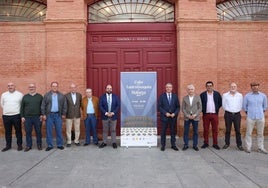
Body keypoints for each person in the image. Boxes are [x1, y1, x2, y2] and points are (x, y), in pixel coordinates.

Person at [41, 81, 67, 151]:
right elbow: (43, 105)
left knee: (59, 130)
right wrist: (43, 114)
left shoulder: (61, 95)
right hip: (49, 115)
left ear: (57, 87)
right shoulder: (47, 95)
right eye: (53, 86)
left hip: (58, 115)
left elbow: (65, 105)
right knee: (49, 131)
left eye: (56, 86)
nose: (54, 87)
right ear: (51, 87)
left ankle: (60, 144)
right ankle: (49, 145)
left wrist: (63, 114)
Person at [243, 82, 268, 154]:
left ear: (258, 86)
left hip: (260, 117)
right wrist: (249, 113)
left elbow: (265, 106)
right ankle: (248, 147)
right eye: (253, 86)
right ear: (251, 87)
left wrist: (261, 112)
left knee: (260, 133)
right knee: (248, 133)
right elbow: (245, 107)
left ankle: (260, 147)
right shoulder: (247, 96)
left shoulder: (263, 96)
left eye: (256, 86)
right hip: (250, 117)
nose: (255, 87)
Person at [1, 82, 23, 152]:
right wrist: (7, 110)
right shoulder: (4, 94)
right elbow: (2, 104)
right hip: (6, 116)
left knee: (18, 131)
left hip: (16, 115)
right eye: (9, 86)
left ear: (15, 86)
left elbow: (22, 105)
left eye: (12, 85)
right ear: (7, 87)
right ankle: (8, 145)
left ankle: (19, 145)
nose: (10, 87)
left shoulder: (20, 94)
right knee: (7, 131)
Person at [20, 83, 43, 151]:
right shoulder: (25, 97)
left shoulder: (39, 96)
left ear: (35, 88)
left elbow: (42, 107)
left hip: (37, 117)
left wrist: (41, 114)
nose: (31, 88)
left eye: (33, 87)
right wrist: (22, 116)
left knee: (38, 132)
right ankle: (28, 145)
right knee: (28, 132)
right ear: (28, 88)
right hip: (27, 118)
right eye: (30, 87)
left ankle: (39, 144)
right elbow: (22, 107)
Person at [200, 81, 222, 150]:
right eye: (208, 86)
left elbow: (220, 103)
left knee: (215, 129)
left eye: (210, 86)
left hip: (214, 114)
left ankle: (215, 143)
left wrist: (216, 109)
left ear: (213, 86)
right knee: (206, 129)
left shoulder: (217, 94)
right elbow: (200, 104)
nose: (209, 87)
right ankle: (206, 143)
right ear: (206, 87)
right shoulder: (202, 95)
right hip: (206, 114)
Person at [158, 83, 180, 151]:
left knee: (173, 132)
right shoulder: (162, 96)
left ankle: (173, 145)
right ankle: (163, 145)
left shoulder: (175, 96)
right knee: (163, 132)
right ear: (165, 88)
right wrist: (165, 113)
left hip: (173, 117)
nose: (168, 88)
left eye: (170, 87)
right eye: (167, 87)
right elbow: (159, 107)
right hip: (164, 117)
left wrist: (175, 113)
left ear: (172, 88)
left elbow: (178, 107)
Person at [222, 82, 244, 151]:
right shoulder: (225, 95)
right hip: (228, 114)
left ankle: (239, 144)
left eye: (234, 86)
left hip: (237, 114)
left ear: (236, 87)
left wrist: (236, 110)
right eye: (232, 86)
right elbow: (224, 105)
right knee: (228, 130)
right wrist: (229, 110)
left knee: (238, 130)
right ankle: (227, 144)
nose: (233, 87)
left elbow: (241, 104)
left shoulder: (240, 95)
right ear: (229, 87)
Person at [99, 84, 120, 149]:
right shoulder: (102, 97)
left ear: (112, 89)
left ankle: (113, 142)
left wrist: (113, 113)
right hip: (105, 116)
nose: (109, 89)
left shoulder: (116, 97)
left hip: (113, 116)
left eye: (110, 88)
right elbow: (100, 106)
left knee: (113, 130)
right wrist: (106, 113)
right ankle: (104, 142)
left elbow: (118, 106)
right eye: (108, 88)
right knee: (105, 130)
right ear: (106, 89)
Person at [182, 84, 202, 151]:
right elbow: (183, 108)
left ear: (194, 90)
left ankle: (195, 145)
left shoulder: (198, 97)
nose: (190, 90)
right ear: (187, 90)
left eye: (192, 89)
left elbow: (200, 108)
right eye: (189, 89)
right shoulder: (185, 98)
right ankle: (186, 144)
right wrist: (187, 115)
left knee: (195, 132)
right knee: (186, 131)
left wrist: (195, 115)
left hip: (195, 117)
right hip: (187, 117)